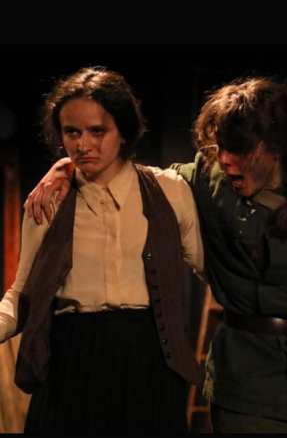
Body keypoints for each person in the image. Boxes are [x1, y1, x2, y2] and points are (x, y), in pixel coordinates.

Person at [24, 76, 287, 433]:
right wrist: (67, 167)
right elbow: (134, 179)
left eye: (240, 149)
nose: (226, 160)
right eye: (219, 148)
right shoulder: (206, 181)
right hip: (249, 382)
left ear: (276, 146)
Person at [0, 67, 205, 434]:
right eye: (72, 132)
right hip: (72, 358)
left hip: (148, 357)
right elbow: (21, 293)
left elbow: (206, 268)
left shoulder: (169, 191)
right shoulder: (49, 200)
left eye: (97, 131)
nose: (83, 145)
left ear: (123, 131)